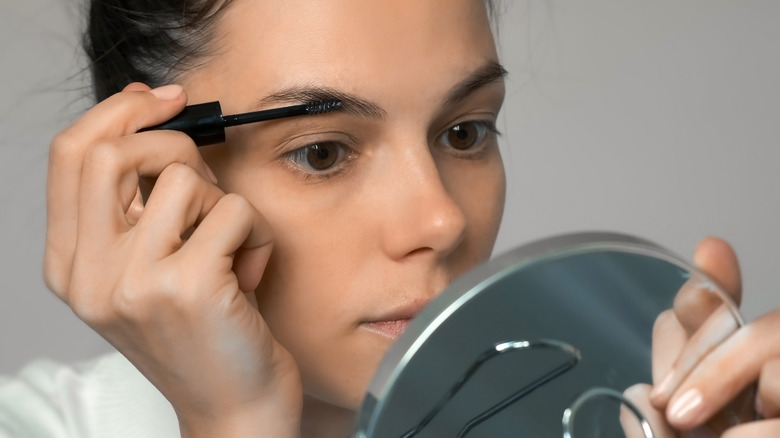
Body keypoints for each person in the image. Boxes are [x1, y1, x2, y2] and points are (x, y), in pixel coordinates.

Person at [1, 0, 778, 436]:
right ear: (144, 171)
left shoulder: (615, 418)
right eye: (322, 153)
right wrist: (234, 423)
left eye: (463, 132)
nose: (439, 219)